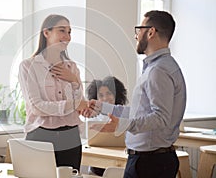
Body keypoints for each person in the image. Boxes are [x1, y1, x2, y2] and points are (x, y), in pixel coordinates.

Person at [82, 10, 187, 178]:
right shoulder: (158, 67)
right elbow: (140, 112)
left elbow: (160, 117)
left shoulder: (158, 70)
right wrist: (101, 107)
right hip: (147, 160)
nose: (136, 36)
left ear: (151, 32)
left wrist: (121, 125)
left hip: (150, 163)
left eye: (139, 30)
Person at [18, 14, 87, 170]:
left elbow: (81, 103)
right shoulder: (28, 66)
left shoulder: (72, 67)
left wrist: (74, 81)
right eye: (62, 31)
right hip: (40, 136)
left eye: (69, 32)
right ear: (46, 33)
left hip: (71, 137)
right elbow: (37, 107)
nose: (67, 37)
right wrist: (71, 105)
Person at [86, 76, 128, 176]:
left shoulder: (125, 114)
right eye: (101, 95)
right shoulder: (93, 118)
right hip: (97, 162)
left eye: (109, 93)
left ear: (116, 94)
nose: (105, 98)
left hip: (121, 161)